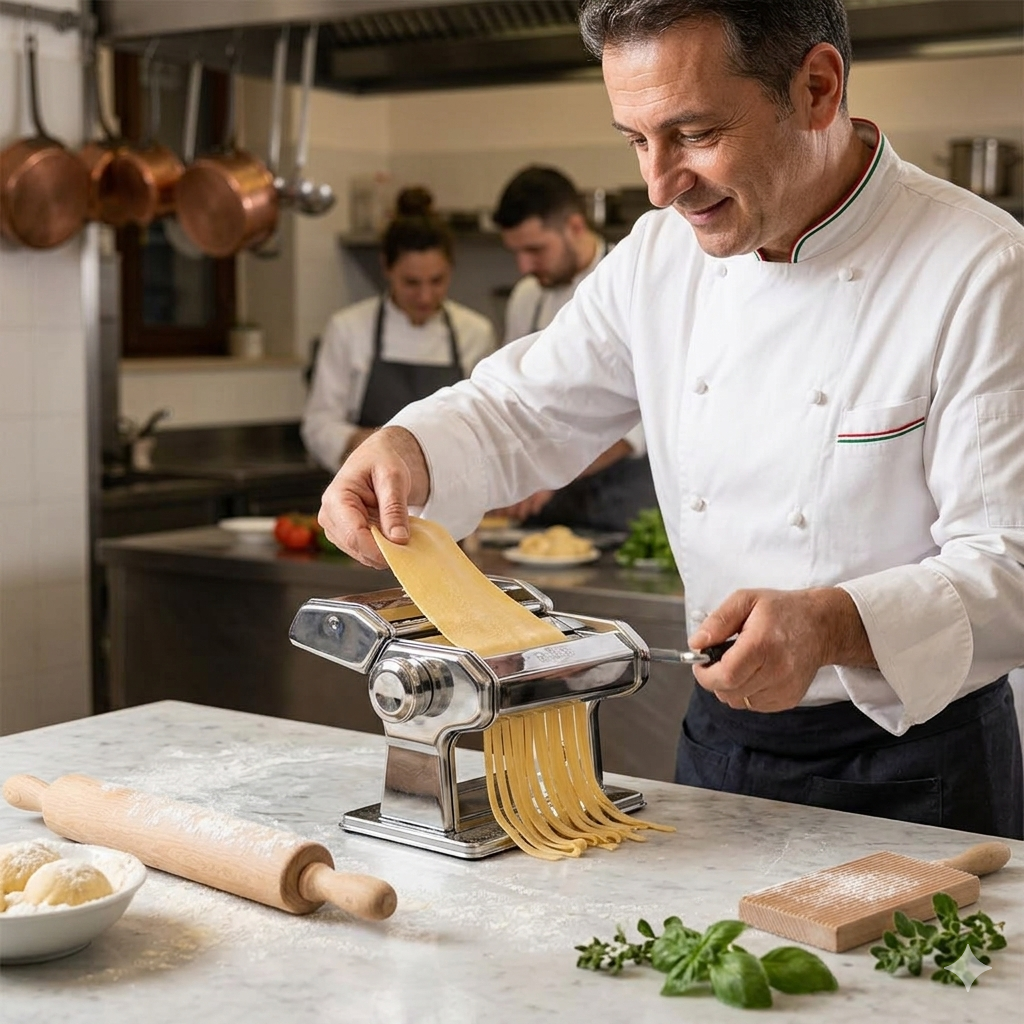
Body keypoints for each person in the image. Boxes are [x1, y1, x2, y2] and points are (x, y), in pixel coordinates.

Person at [317, 0, 1024, 839]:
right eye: (635, 140)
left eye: (692, 134)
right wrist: (411, 447)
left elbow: (1010, 565)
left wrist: (834, 622)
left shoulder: (981, 268)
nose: (659, 185)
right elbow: (524, 408)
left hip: (914, 767)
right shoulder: (660, 254)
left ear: (817, 88)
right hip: (720, 744)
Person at [491, 166, 657, 531]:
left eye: (535, 249)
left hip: (624, 493)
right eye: (516, 252)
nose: (524, 265)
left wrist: (554, 472)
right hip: (546, 496)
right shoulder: (527, 296)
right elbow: (517, 396)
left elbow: (646, 416)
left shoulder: (633, 280)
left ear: (575, 227)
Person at [301, 187, 496, 470]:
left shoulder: (476, 332)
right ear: (386, 268)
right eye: (411, 283)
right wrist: (371, 443)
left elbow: (485, 425)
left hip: (449, 488)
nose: (425, 296)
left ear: (451, 269)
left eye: (437, 281)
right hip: (368, 487)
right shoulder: (349, 328)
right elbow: (319, 424)